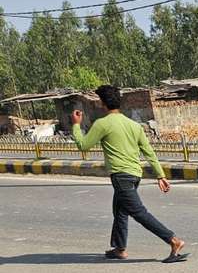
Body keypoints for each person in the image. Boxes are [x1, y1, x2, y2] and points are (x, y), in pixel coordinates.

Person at [70, 85, 187, 262]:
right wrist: (160, 175)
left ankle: (173, 240)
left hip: (120, 175)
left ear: (102, 103)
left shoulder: (102, 124)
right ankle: (119, 248)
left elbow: (83, 145)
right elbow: (148, 151)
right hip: (134, 175)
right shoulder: (134, 125)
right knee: (120, 210)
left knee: (138, 212)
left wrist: (76, 126)